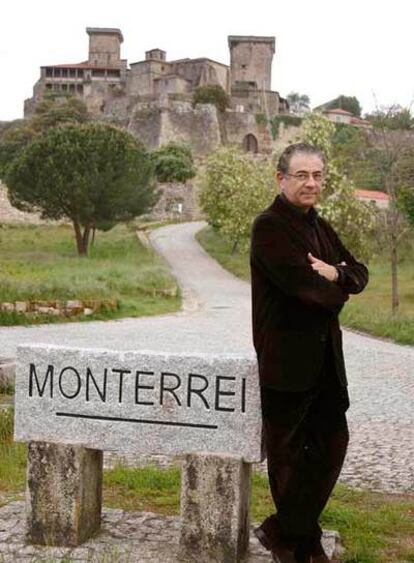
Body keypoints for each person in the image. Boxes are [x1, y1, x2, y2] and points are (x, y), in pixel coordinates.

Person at [250, 143, 368, 563]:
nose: (311, 183)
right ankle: (303, 544)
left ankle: (282, 531)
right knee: (287, 459)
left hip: (326, 365)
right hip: (285, 362)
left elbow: (360, 274)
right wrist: (335, 286)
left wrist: (334, 272)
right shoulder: (269, 227)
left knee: (333, 443)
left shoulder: (322, 227)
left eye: (317, 175)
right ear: (280, 179)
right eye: (301, 175)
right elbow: (314, 294)